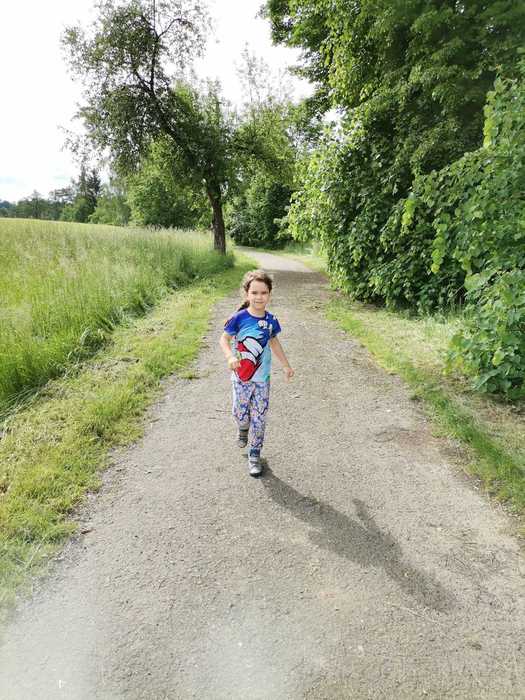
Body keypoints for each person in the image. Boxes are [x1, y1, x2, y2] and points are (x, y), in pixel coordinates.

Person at [219, 269, 294, 477]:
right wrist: (230, 357)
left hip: (262, 379)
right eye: (254, 292)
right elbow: (224, 339)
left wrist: (286, 365)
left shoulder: (271, 320)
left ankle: (255, 454)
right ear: (247, 294)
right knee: (240, 413)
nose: (259, 297)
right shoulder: (239, 318)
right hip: (241, 378)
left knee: (260, 417)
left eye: (263, 293)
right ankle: (243, 427)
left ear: (269, 294)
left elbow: (274, 342)